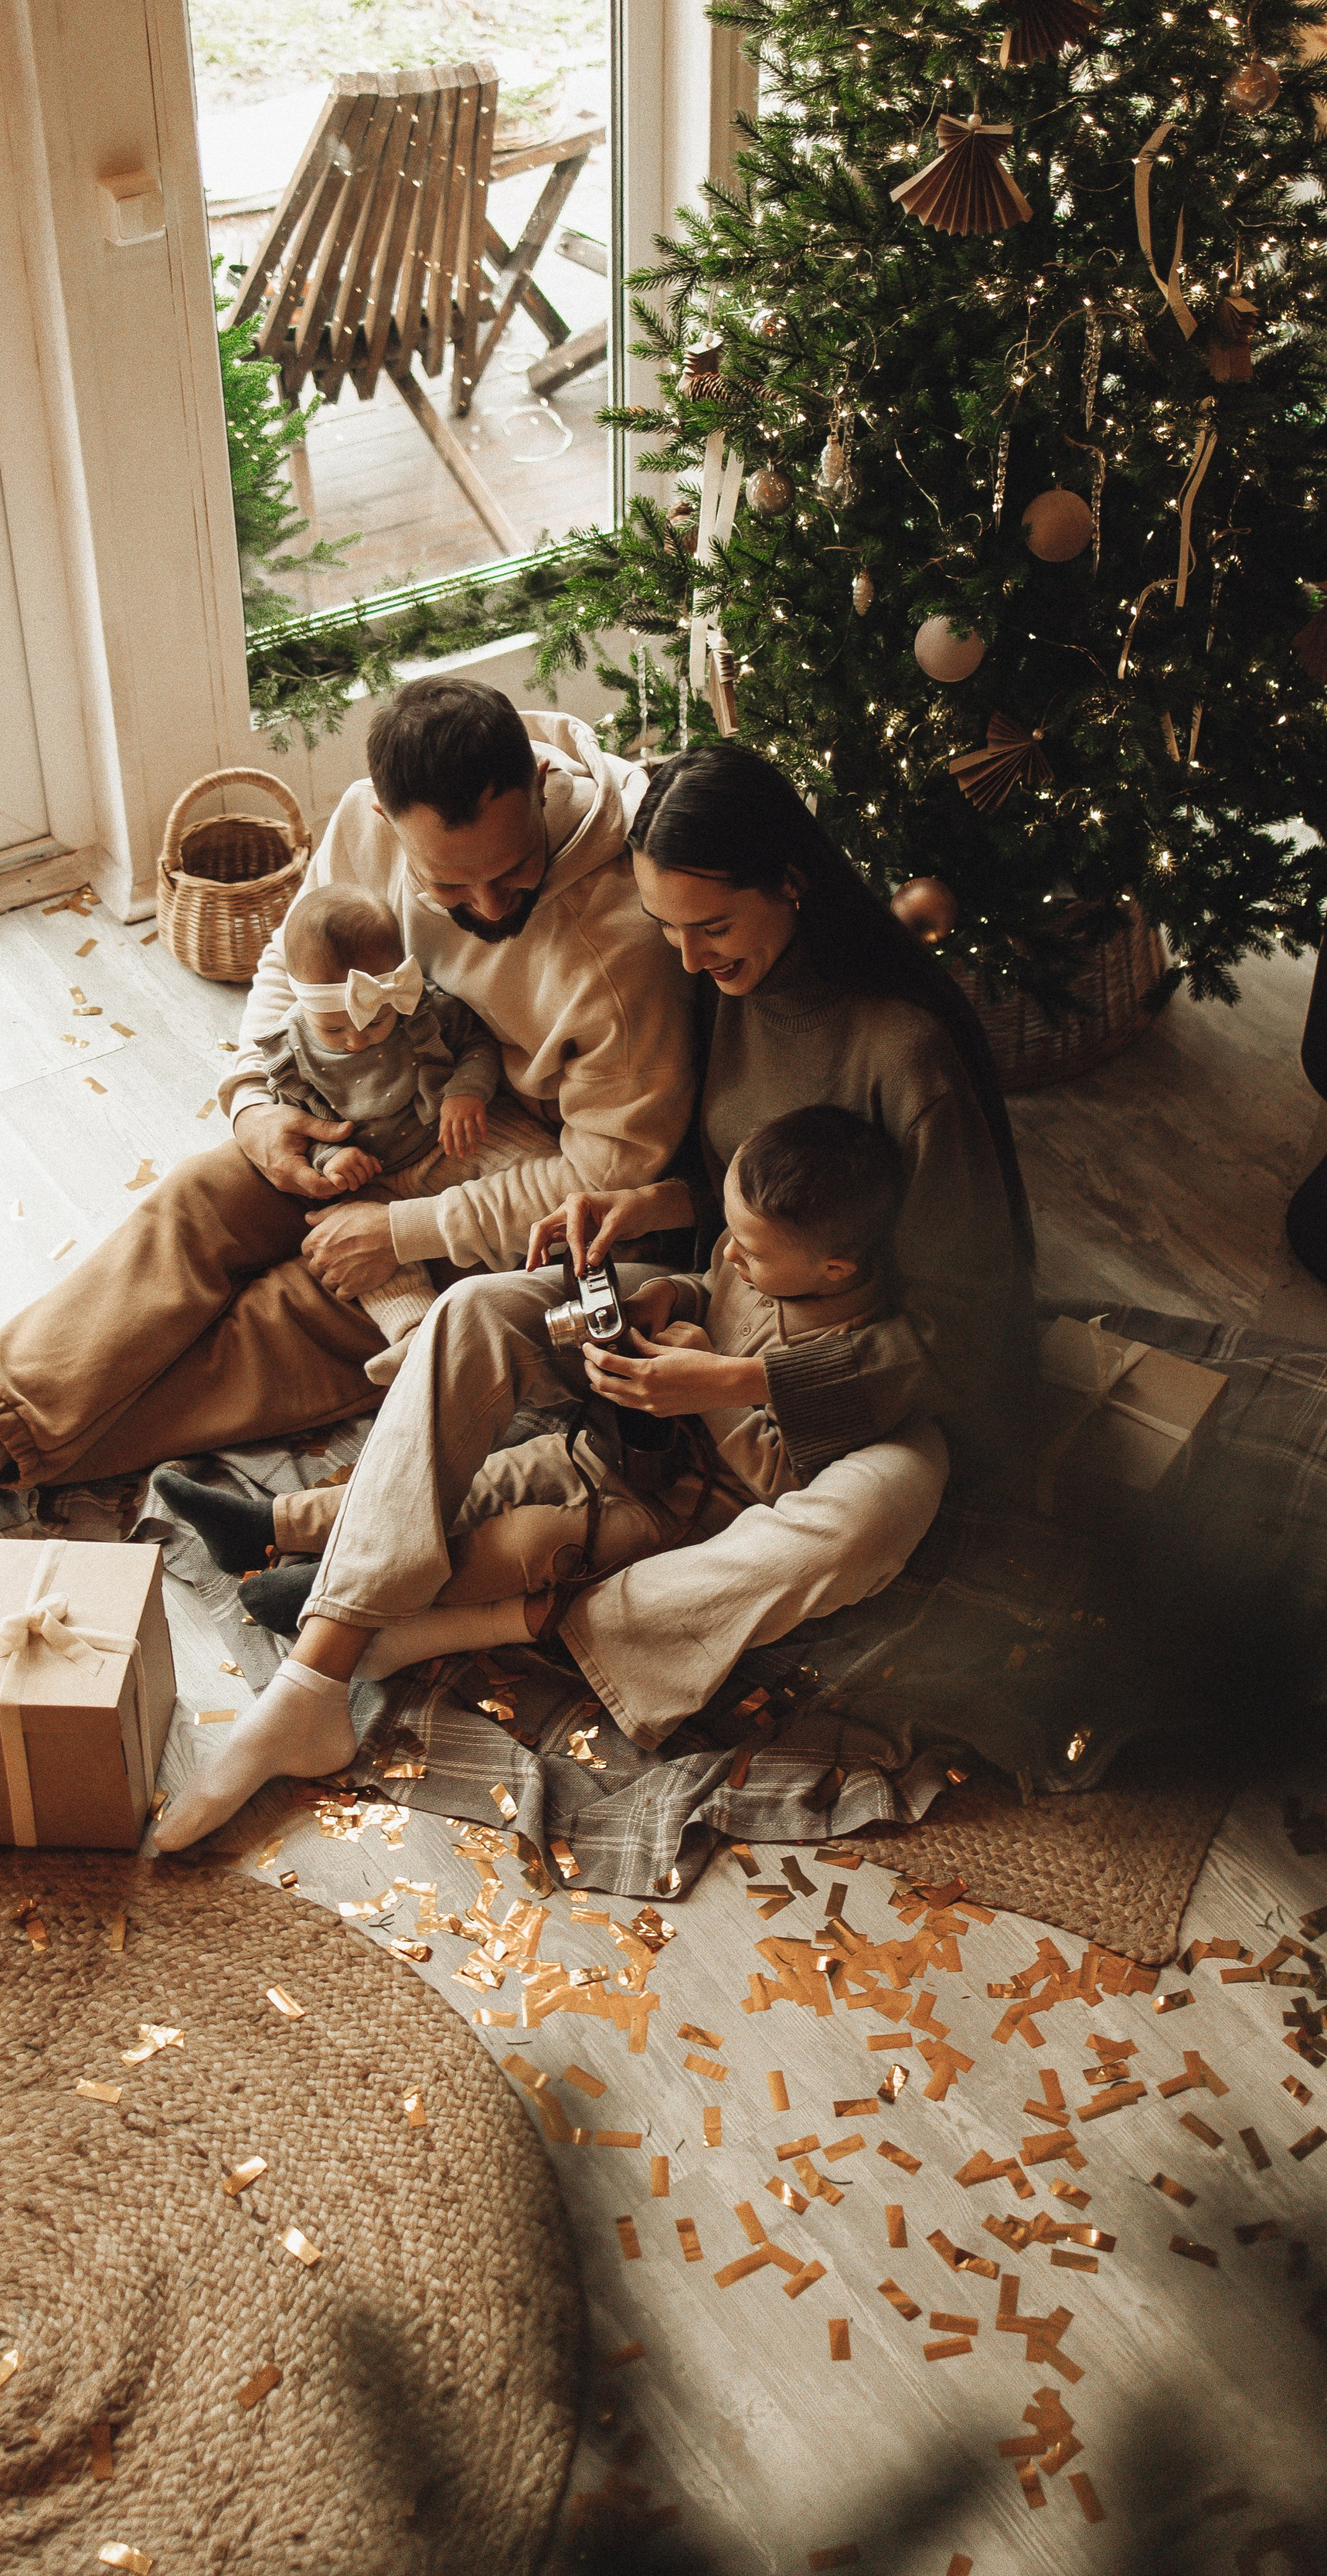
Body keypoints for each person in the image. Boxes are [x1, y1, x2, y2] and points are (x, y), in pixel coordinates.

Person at [151, 742, 1037, 1841]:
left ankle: (464, 1624)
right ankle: (319, 1677)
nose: (692, 959)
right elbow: (743, 1195)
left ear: (790, 884)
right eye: (669, 933)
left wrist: (740, 1377)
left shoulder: (905, 1057)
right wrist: (648, 1211)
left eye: (710, 928)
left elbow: (970, 1336)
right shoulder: (732, 991)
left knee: (864, 1522)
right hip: (718, 1302)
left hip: (861, 1404)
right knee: (476, 1311)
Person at [0, 681, 696, 1539]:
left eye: (511, 871)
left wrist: (405, 1230)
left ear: (538, 784)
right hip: (362, 1113)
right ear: (381, 818)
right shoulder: (362, 828)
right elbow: (294, 967)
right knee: (197, 1200)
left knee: (289, 1315)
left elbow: (611, 1176)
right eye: (448, 889)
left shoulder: (622, 949)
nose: (488, 907)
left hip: (503, 1180)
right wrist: (252, 1102)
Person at [155, 1104, 937, 1847]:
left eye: (750, 1250)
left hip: (700, 1511)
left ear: (835, 1267)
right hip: (627, 1444)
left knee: (529, 1538)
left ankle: (389, 1622)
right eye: (728, 1237)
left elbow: (773, 1478)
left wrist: (712, 1390)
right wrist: (671, 1295)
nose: (729, 1254)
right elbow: (713, 1288)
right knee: (501, 1452)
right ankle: (287, 1534)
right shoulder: (759, 1265)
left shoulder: (865, 1353)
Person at [260, 881, 511, 1376]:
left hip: (445, 1137)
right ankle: (414, 1336)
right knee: (345, 1239)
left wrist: (466, 1092)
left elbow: (480, 1046)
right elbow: (296, 1121)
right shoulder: (293, 1052)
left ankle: (532, 1283)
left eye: (374, 1020)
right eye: (334, 1029)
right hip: (370, 1176)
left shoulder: (422, 1011)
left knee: (523, 1167)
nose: (355, 1039)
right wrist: (329, 1158)